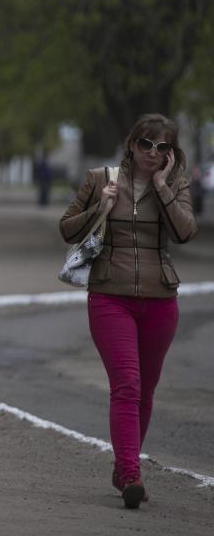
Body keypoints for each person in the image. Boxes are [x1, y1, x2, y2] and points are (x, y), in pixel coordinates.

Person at [59, 113, 197, 509]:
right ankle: (132, 476)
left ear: (171, 154)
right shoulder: (100, 180)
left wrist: (161, 186)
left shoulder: (175, 184)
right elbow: (67, 229)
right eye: (145, 145)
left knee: (147, 392)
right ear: (131, 144)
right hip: (109, 296)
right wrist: (98, 210)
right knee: (127, 387)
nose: (152, 153)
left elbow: (185, 232)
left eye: (162, 148)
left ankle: (122, 468)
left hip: (160, 301)